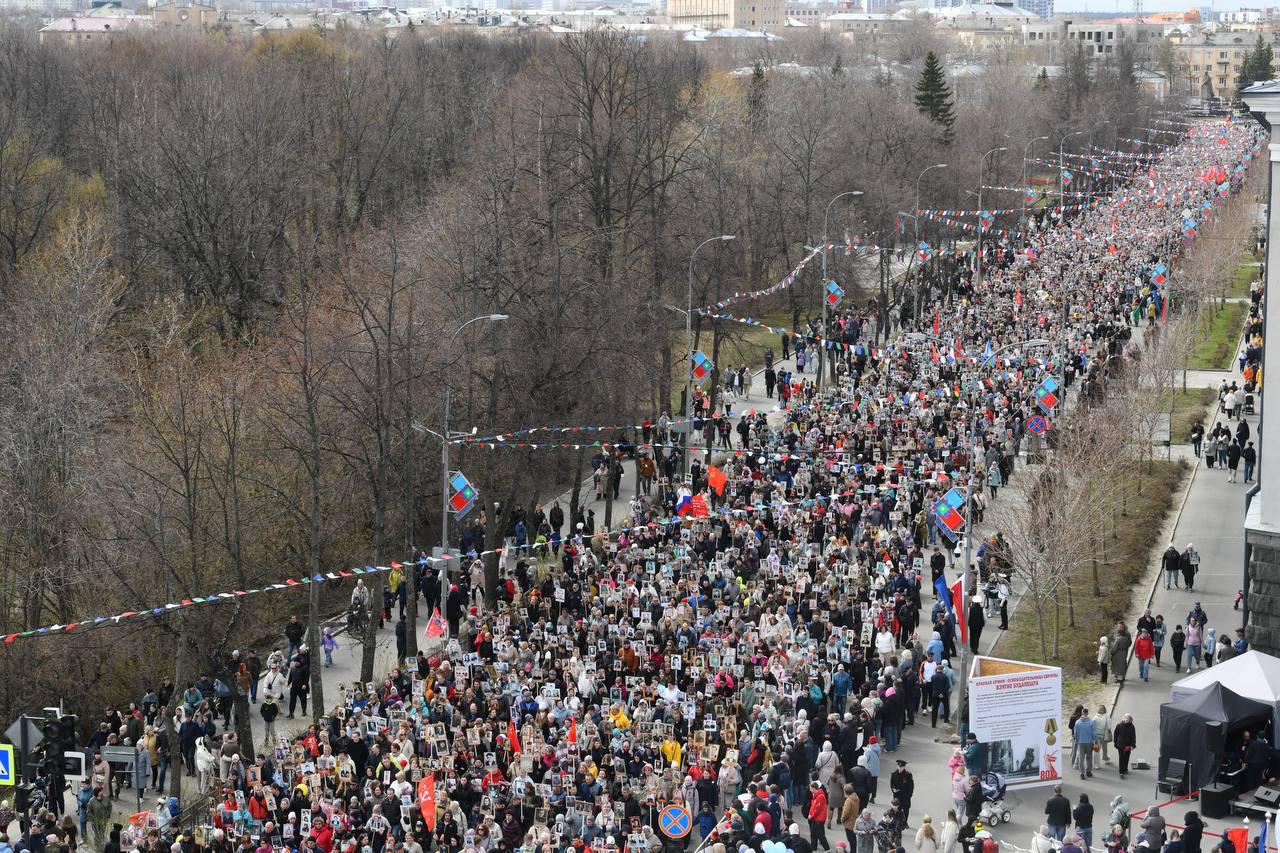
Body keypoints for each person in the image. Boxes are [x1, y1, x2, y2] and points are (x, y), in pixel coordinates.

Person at [1073, 709, 1096, 779]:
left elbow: (1075, 733)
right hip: (1089, 742)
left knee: (1081, 758)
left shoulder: (1077, 722)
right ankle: (1088, 771)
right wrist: (1095, 740)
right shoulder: (1091, 722)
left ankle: (1082, 773)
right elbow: (1094, 733)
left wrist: (1077, 740)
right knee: (1089, 758)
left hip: (1081, 742)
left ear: (1082, 713)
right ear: (1087, 713)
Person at [808, 781, 830, 851]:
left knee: (820, 835)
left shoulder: (820, 796)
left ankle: (827, 849)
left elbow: (817, 809)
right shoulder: (816, 795)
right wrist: (810, 814)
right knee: (813, 834)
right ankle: (813, 848)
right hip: (815, 819)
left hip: (818, 819)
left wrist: (811, 815)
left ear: (814, 788)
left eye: (811, 788)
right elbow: (813, 807)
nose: (810, 790)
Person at [1113, 714, 1136, 779]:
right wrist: (1115, 743)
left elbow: (1133, 736)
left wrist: (1133, 745)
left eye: (1127, 718)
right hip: (1120, 745)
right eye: (1125, 718)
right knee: (1121, 758)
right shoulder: (1119, 725)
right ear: (1123, 718)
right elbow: (1115, 735)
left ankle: (1125, 769)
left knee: (1126, 757)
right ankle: (1121, 772)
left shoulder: (1132, 726)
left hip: (1128, 745)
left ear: (1130, 719)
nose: (1126, 719)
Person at [889, 761, 913, 825]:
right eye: (899, 766)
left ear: (904, 767)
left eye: (901, 767)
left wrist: (909, 795)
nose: (900, 768)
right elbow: (892, 784)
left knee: (906, 810)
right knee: (897, 810)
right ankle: (897, 822)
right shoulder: (893, 774)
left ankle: (905, 822)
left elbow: (911, 786)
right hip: (897, 796)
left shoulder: (908, 775)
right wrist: (893, 789)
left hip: (905, 796)